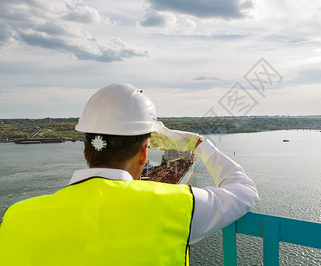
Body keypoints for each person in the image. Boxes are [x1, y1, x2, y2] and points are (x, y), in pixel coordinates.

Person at [0, 83, 259, 265]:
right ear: (144, 154)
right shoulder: (177, 206)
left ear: (87, 150)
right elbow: (246, 191)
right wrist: (198, 144)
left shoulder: (15, 218)